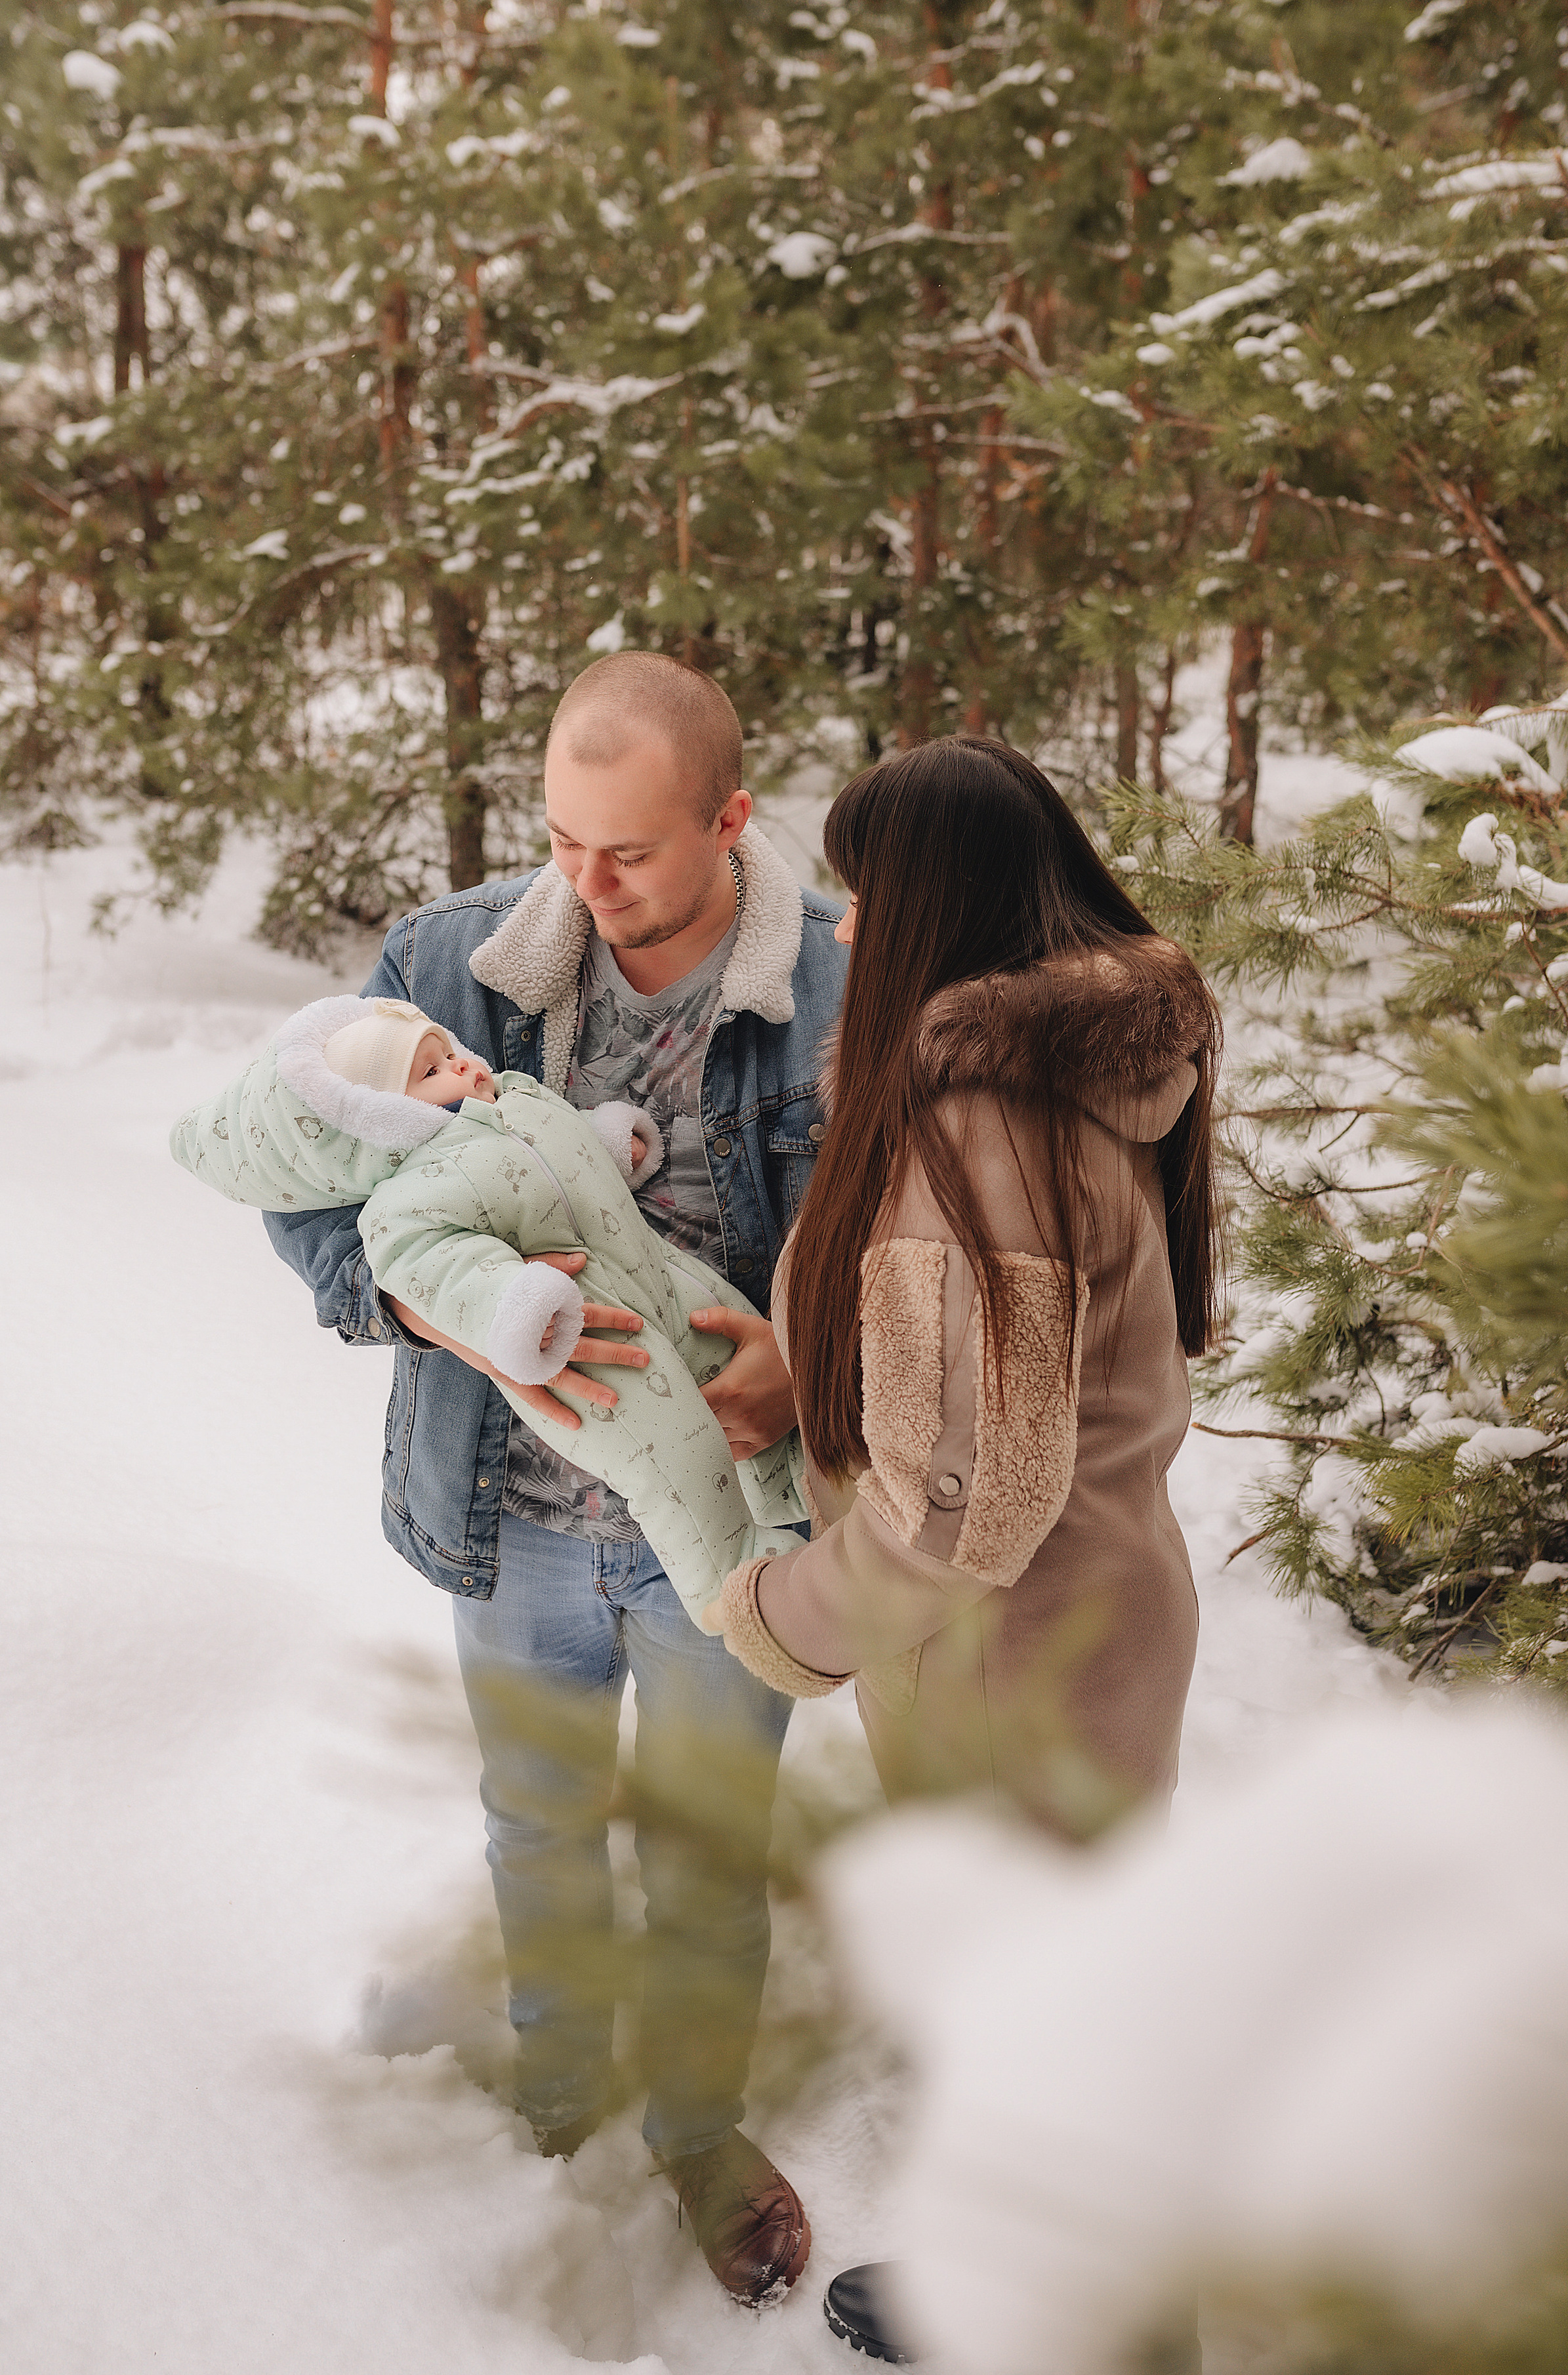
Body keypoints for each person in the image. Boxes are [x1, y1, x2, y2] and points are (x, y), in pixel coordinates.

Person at [263, 653, 845, 2305]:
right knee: (533, 1824)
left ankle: (696, 2128)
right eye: (559, 839)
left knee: (704, 1850)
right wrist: (431, 1310)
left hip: (723, 1530)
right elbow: (303, 1182)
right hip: (502, 1512)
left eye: (630, 853)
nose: (580, 887)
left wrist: (812, 1364)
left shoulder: (829, 990)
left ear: (729, 821)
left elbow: (897, 1237)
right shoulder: (451, 958)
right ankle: (552, 2088)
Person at [704, 735, 1222, 2361]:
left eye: (861, 895)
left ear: (935, 908)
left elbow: (958, 1505)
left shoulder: (981, 1131)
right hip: (1095, 1611)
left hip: (1005, 1650)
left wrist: (780, 1612)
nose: (844, 932)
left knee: (1028, 2004)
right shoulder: (1082, 1070)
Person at [172, 994, 808, 1615]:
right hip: (593, 1341)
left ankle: (793, 1481)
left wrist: (608, 1146)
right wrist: (511, 1307)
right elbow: (433, 1269)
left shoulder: (514, 1101)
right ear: (376, 1117)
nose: (461, 1065)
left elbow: (555, 1165)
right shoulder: (411, 1198)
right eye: (430, 1072)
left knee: (731, 1332)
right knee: (672, 1443)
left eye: (447, 1050)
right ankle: (725, 1576)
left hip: (658, 1273)